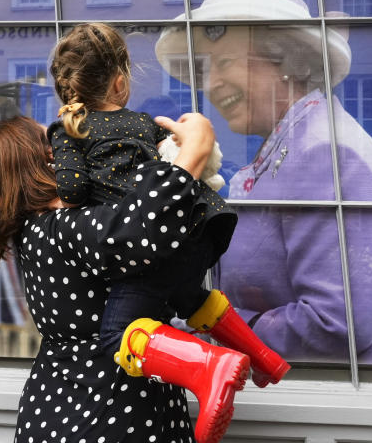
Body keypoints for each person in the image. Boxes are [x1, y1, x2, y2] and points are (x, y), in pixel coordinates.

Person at [0, 113, 281, 443]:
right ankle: (217, 364)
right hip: (103, 413)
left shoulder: (35, 230)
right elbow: (142, 229)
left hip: (67, 404)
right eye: (58, 145)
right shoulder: (66, 226)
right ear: (45, 162)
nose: (72, 148)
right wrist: (193, 155)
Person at [155, 0, 372, 366]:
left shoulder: (323, 152)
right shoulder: (296, 142)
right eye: (205, 68)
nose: (210, 83)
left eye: (225, 62)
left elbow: (336, 324)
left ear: (291, 63)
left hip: (337, 410)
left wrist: (217, 333)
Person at [48, 22, 289, 389]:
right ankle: (266, 359)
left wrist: (60, 183)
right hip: (194, 233)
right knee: (192, 298)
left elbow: (74, 189)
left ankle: (210, 367)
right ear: (119, 83)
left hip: (148, 248)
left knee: (117, 334)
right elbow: (176, 158)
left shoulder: (68, 131)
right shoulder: (146, 123)